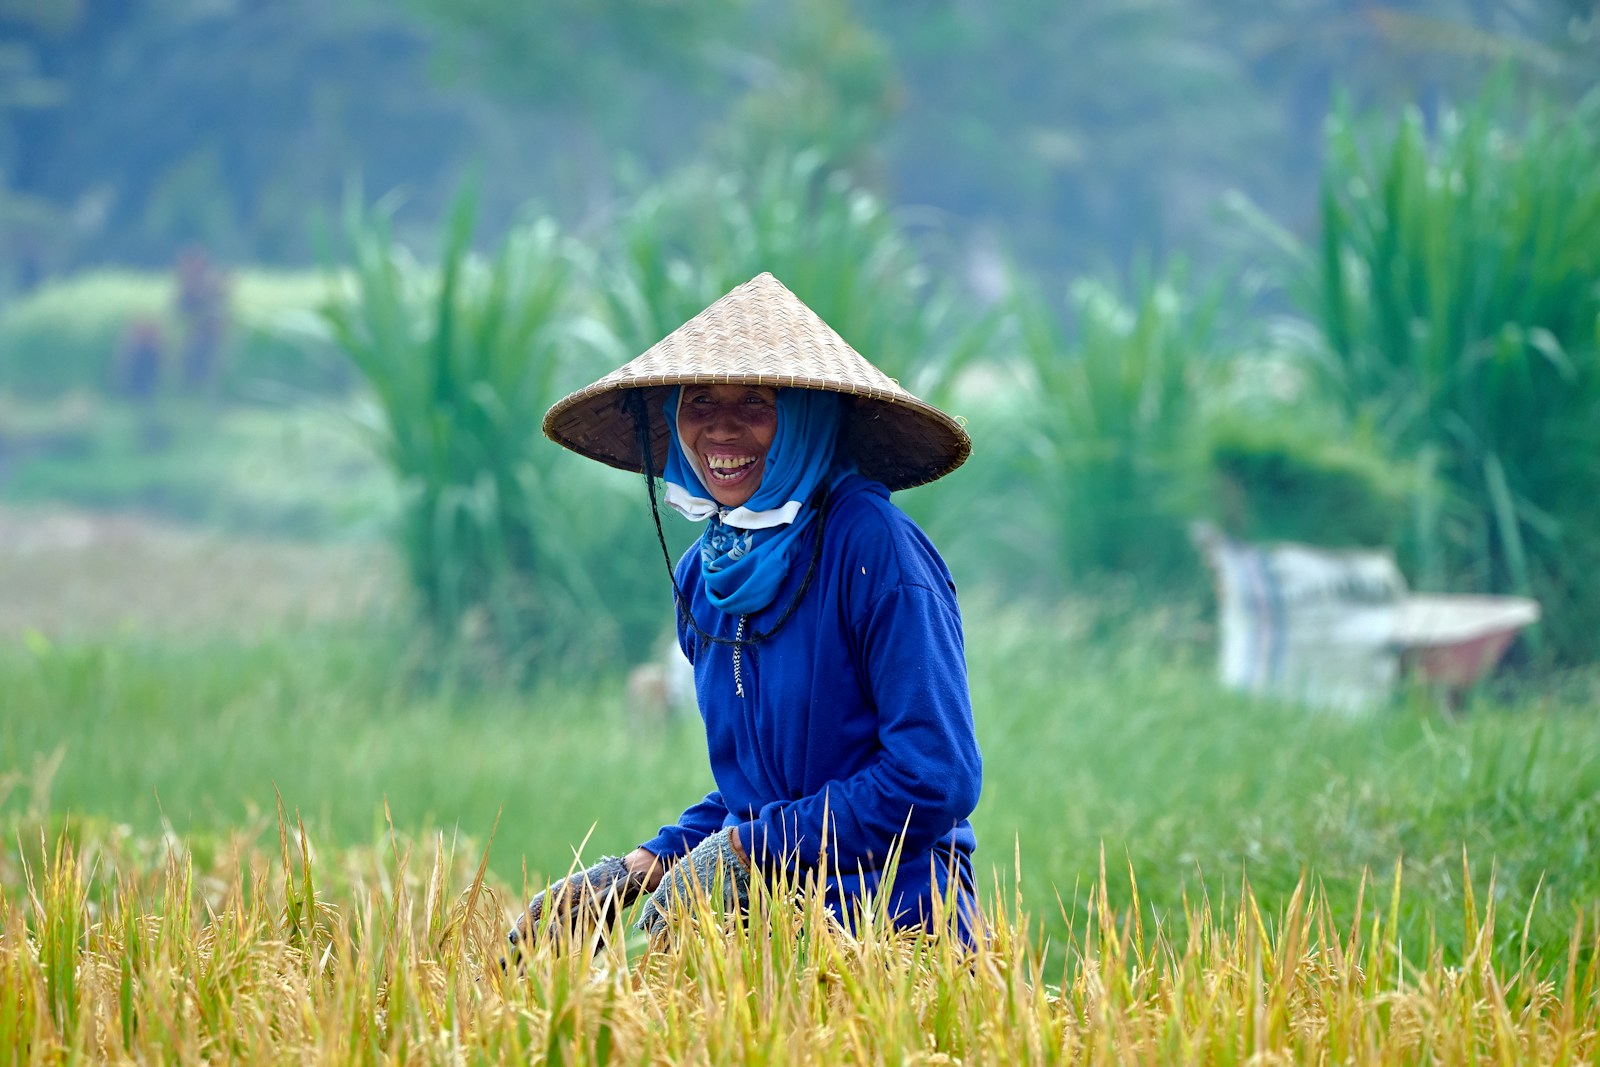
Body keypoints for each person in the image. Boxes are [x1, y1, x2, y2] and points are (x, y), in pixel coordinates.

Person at [510, 273, 982, 954]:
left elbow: (934, 775)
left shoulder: (875, 549)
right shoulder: (708, 578)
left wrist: (747, 850)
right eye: (700, 400)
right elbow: (765, 790)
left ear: (807, 416)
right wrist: (642, 867)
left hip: (894, 932)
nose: (722, 428)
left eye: (757, 402)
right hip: (770, 941)